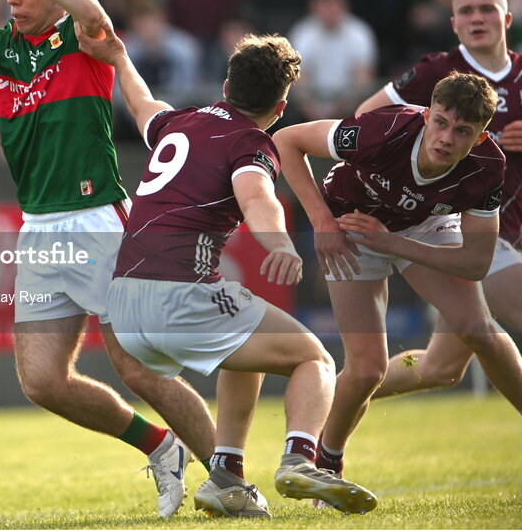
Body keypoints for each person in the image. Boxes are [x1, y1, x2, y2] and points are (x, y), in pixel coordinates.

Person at [0, 0, 216, 518]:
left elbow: (91, 9)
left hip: (98, 222)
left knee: (138, 370)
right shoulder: (0, 48)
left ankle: (231, 476)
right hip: (40, 230)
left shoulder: (81, 35)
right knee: (43, 382)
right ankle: (159, 447)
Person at [78, 26, 378, 517]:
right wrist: (281, 243)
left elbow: (140, 104)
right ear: (281, 107)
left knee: (245, 340)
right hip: (177, 295)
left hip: (124, 303)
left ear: (225, 86)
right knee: (315, 360)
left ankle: (226, 478)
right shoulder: (251, 141)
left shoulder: (181, 123)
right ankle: (301, 459)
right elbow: (257, 196)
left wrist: (118, 57)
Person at [273, 72, 522, 489]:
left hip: (421, 227)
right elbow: (287, 141)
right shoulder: (382, 129)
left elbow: (476, 263)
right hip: (348, 224)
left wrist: (392, 243)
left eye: (462, 131)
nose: (446, 138)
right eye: (441, 122)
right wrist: (320, 222)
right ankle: (328, 464)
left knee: (478, 329)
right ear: (426, 116)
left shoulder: (487, 167)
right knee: (367, 370)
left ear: (479, 138)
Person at [355, 0, 522, 400]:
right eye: (466, 11)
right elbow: (365, 121)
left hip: (517, 229)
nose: (477, 18)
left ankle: (327, 400)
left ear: (506, 16)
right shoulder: (436, 71)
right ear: (453, 23)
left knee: (440, 366)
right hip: (475, 232)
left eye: (486, 9)